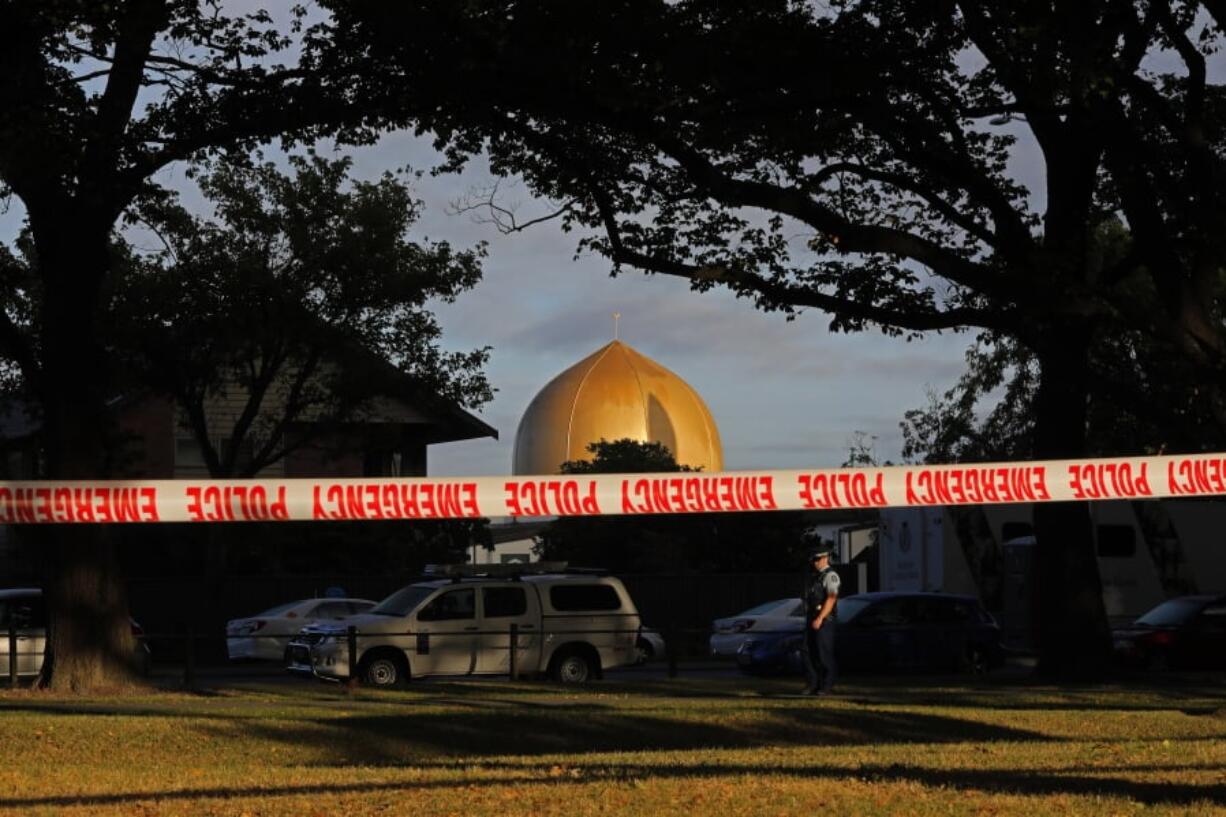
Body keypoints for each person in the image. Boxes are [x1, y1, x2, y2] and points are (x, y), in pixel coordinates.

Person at [802, 542, 840, 696]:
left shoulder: (831, 576)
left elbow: (831, 599)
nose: (815, 563)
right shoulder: (815, 577)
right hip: (812, 617)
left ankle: (827, 685)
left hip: (824, 619)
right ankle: (813, 683)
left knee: (823, 653)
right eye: (813, 560)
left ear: (825, 558)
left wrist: (820, 618)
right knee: (807, 651)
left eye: (817, 559)